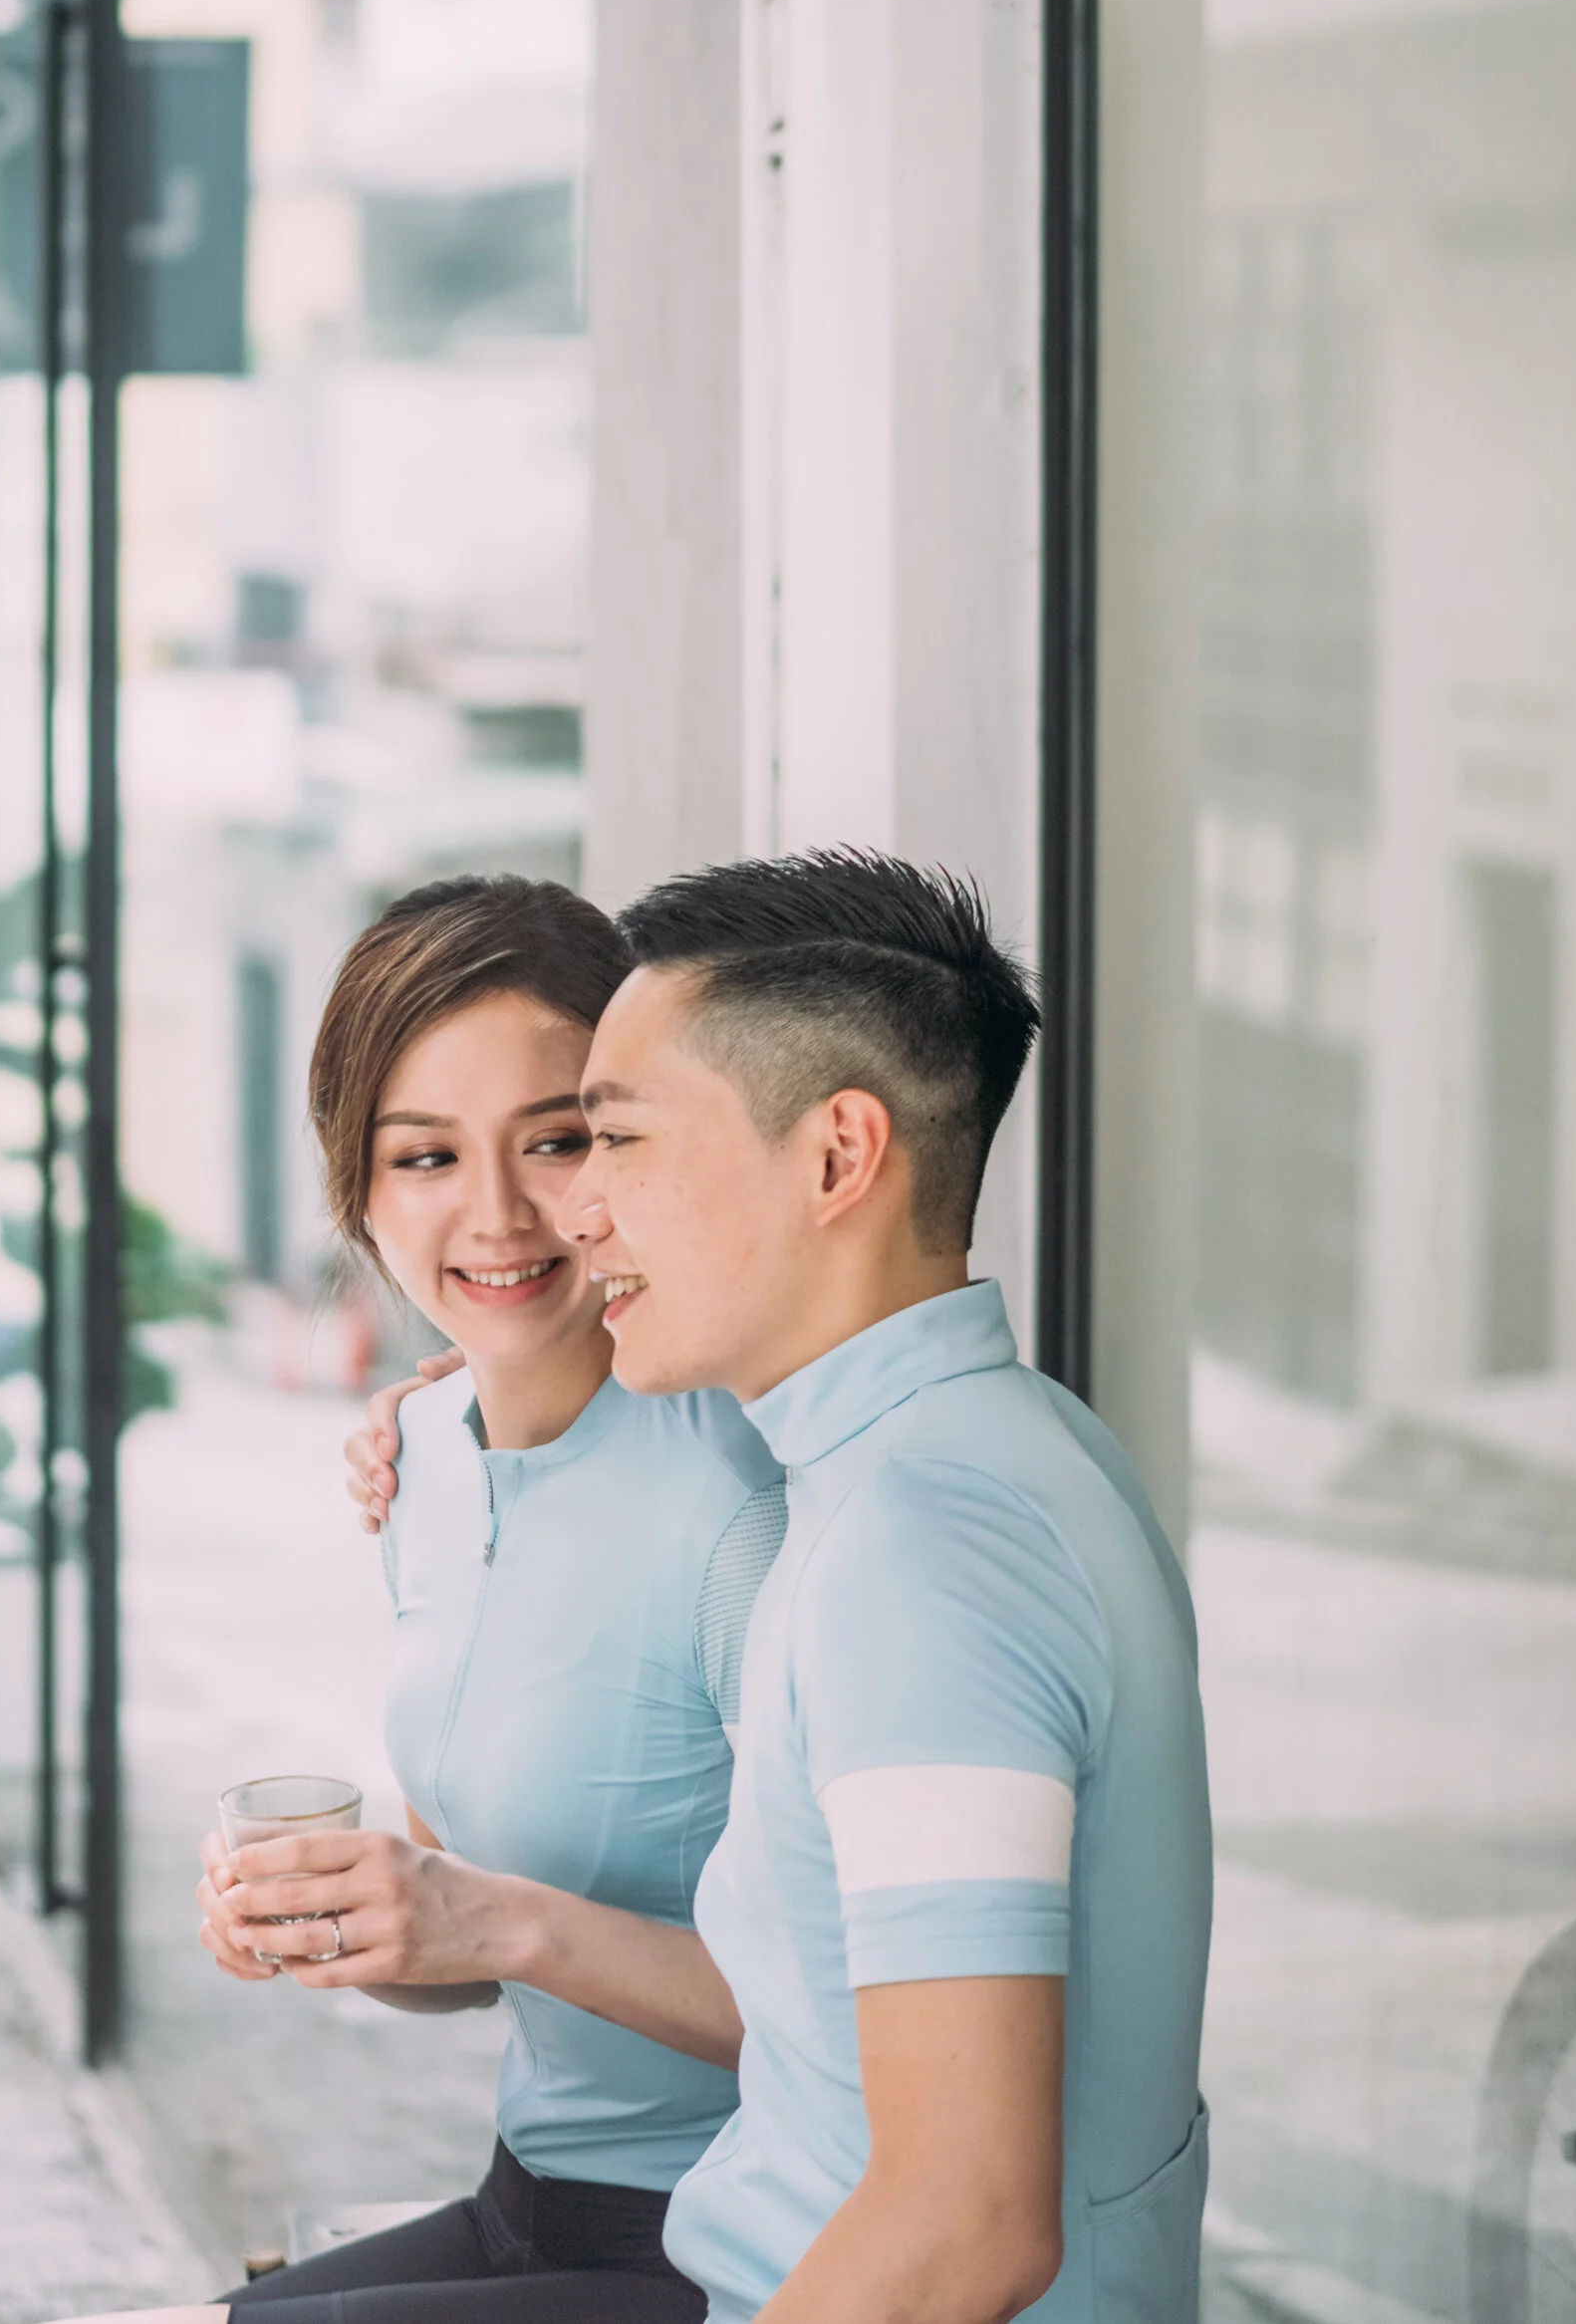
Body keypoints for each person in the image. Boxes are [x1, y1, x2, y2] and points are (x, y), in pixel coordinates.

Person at [531, 850, 1210, 2324]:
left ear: (838, 1156)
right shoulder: (987, 1452)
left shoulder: (927, 1545)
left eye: (619, 1141)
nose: (574, 1213)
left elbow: (963, 2223)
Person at [197, 873, 785, 2324]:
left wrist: (485, 1920)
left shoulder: (744, 1504)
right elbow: (484, 1935)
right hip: (527, 2203)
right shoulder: (426, 1477)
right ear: (355, 1186)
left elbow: (874, 2028)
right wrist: (362, 1927)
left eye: (557, 1140)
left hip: (743, 2242)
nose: (499, 1214)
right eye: (424, 1157)